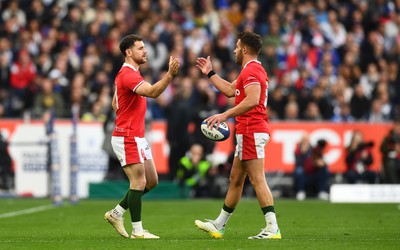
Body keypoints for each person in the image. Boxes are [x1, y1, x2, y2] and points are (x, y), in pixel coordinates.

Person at [194, 31, 281, 240]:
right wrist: (210, 73)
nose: (234, 50)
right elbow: (231, 90)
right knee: (235, 180)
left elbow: (252, 100)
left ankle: (272, 228)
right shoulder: (250, 70)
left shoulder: (251, 71)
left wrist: (225, 114)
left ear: (244, 49)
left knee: (258, 180)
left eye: (236, 46)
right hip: (247, 130)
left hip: (252, 129)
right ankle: (219, 225)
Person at [103, 34, 180, 239]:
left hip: (137, 136)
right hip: (127, 135)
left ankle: (117, 213)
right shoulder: (128, 74)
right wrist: (169, 75)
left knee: (151, 181)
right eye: (140, 48)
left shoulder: (129, 74)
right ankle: (138, 231)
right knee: (138, 182)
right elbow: (153, 92)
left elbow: (114, 103)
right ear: (129, 52)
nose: (145, 51)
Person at [293, 135, 330, 200]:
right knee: (299, 170)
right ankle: (300, 191)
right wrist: (303, 153)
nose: (305, 142)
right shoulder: (298, 151)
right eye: (304, 140)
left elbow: (320, 161)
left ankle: (322, 191)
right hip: (304, 174)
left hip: (313, 173)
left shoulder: (314, 150)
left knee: (325, 170)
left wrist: (321, 163)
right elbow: (298, 164)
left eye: (306, 140)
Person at [380, 118, 400, 183]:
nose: (398, 128)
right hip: (391, 160)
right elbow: (382, 148)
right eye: (397, 125)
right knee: (390, 165)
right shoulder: (389, 137)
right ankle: (395, 185)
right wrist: (393, 148)